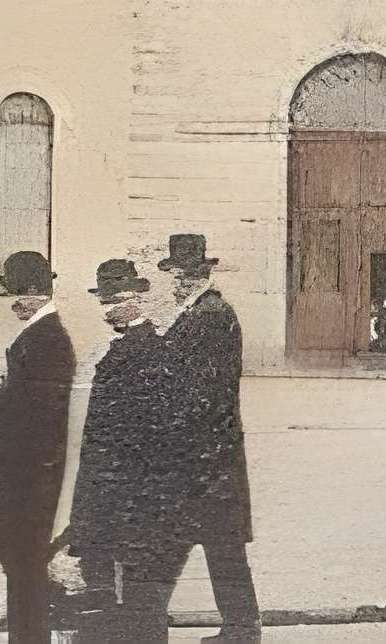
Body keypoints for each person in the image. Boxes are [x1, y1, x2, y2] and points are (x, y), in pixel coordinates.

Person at [127, 232, 260, 642]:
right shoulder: (198, 312)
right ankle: (240, 629)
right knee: (221, 547)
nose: (181, 279)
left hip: (205, 457)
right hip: (211, 457)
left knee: (194, 546)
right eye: (177, 272)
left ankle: (233, 630)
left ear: (203, 274)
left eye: (189, 273)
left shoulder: (210, 316)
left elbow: (198, 389)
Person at [0, 250, 76, 644]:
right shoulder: (38, 335)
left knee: (26, 572)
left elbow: (44, 427)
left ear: (32, 292)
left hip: (29, 486)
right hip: (23, 481)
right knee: (20, 570)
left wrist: (28, 490)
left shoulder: (47, 339)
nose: (11, 303)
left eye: (15, 294)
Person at [66, 258, 170, 642]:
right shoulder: (121, 346)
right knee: (111, 573)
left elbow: (151, 427)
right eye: (105, 302)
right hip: (110, 481)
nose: (110, 309)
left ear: (136, 300)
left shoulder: (149, 350)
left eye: (118, 300)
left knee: (135, 579)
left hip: (128, 486)